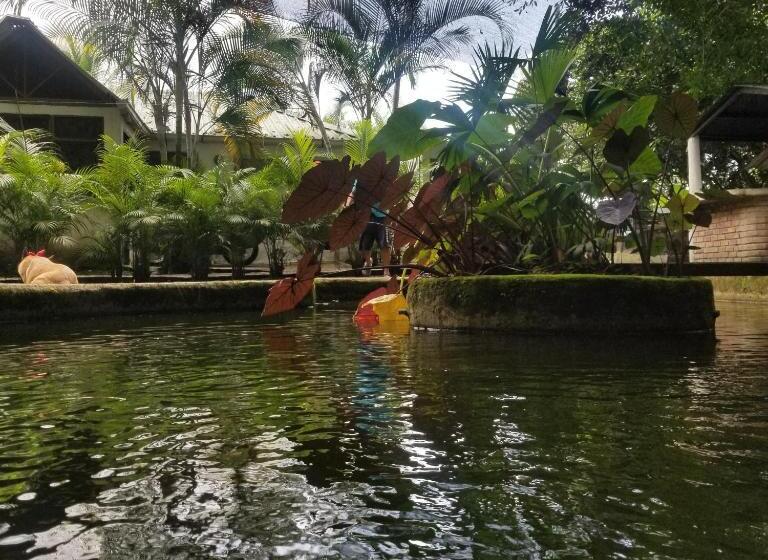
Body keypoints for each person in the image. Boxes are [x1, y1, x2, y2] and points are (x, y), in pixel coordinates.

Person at [348, 182, 391, 276]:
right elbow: (353, 193)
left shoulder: (384, 177)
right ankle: (368, 262)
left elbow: (391, 194)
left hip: (382, 215)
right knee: (365, 245)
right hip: (365, 215)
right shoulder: (361, 178)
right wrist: (347, 207)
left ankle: (386, 270)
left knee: (384, 244)